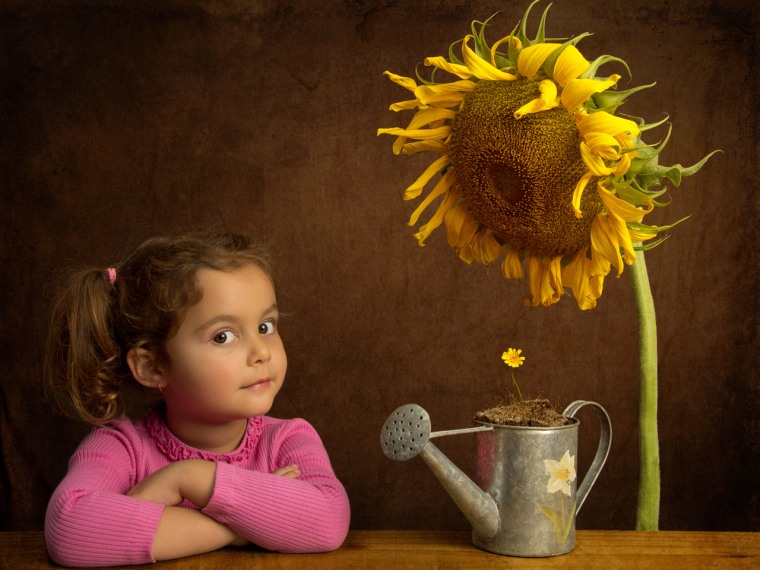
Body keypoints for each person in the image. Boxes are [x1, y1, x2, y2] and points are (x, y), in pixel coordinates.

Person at [43, 232, 350, 566]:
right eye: (223, 336)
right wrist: (238, 529)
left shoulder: (288, 440)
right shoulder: (120, 445)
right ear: (152, 367)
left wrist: (188, 478)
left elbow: (329, 521)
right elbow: (68, 528)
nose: (261, 352)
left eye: (266, 326)